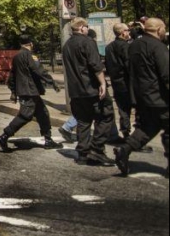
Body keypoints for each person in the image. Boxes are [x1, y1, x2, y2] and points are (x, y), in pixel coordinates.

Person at [114, 18, 169, 178]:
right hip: (160, 97)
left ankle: (124, 150)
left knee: (147, 127)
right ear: (158, 29)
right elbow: (166, 74)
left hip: (142, 95)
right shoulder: (158, 47)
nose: (164, 31)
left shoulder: (134, 45)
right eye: (164, 28)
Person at [61, 17, 114, 166]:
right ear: (82, 27)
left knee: (83, 121)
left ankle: (83, 153)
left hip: (76, 90)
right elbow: (95, 65)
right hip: (91, 88)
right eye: (86, 26)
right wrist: (103, 83)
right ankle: (97, 150)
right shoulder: (87, 42)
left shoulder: (67, 46)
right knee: (105, 116)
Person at [0, 36, 62, 152]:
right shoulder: (29, 55)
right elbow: (38, 70)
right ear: (30, 43)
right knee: (25, 116)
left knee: (43, 114)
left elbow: (12, 76)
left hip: (27, 91)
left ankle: (48, 140)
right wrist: (52, 82)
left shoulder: (16, 56)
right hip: (30, 90)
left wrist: (13, 91)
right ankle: (4, 136)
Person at [105, 23, 134, 142]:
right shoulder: (126, 47)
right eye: (127, 30)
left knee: (123, 109)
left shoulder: (109, 47)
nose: (129, 32)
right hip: (127, 82)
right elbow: (129, 65)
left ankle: (125, 131)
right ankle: (130, 134)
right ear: (123, 32)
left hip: (116, 81)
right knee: (130, 108)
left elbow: (108, 65)